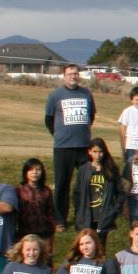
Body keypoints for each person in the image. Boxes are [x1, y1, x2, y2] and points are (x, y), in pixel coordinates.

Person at [43, 64, 96, 229]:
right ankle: (60, 220)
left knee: (88, 183)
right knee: (62, 185)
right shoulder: (56, 95)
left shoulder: (86, 94)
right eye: (69, 74)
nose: (73, 76)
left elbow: (91, 115)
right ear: (64, 76)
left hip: (84, 146)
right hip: (63, 147)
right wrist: (59, 135)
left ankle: (85, 218)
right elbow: (49, 120)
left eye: (75, 73)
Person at [70, 140, 125, 251]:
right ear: (89, 152)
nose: (98, 155)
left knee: (100, 249)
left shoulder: (111, 169)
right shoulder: (84, 169)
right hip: (86, 216)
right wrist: (78, 211)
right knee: (86, 248)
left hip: (103, 216)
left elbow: (120, 192)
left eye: (100, 152)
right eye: (95, 151)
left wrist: (114, 211)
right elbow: (77, 193)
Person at [14, 158, 58, 259]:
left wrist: (51, 231)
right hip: (24, 233)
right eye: (31, 169)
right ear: (26, 172)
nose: (35, 172)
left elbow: (51, 213)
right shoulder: (18, 191)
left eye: (38, 169)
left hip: (44, 234)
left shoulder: (46, 191)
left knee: (45, 260)